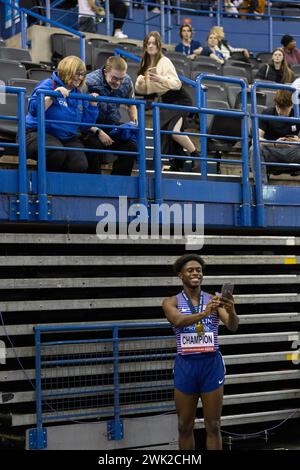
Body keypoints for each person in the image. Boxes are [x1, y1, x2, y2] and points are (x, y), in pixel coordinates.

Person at [162, 254, 238, 450]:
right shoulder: (171, 301)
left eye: (198, 270)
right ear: (181, 275)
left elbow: (232, 326)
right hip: (186, 365)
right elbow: (177, 321)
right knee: (184, 426)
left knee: (213, 425)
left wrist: (232, 310)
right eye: (190, 270)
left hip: (210, 364)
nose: (195, 273)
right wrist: (205, 313)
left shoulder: (214, 300)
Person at [135, 31, 200, 172]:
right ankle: (178, 161)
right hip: (166, 100)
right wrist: (139, 83)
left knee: (174, 131)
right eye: (148, 43)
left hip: (180, 99)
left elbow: (177, 84)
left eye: (154, 43)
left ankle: (196, 155)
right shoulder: (145, 63)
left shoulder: (164, 61)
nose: (151, 46)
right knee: (168, 133)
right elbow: (145, 90)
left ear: (159, 45)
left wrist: (160, 79)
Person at [25, 55, 99, 172]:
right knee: (56, 153)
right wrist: (52, 95)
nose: (80, 78)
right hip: (37, 133)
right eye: (77, 73)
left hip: (67, 137)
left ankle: (59, 189)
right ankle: (37, 184)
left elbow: (84, 127)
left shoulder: (79, 94)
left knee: (79, 164)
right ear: (67, 71)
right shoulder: (49, 84)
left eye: (82, 74)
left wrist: (92, 106)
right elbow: (34, 110)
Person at [85, 56, 137, 175]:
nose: (118, 82)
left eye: (121, 79)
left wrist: (135, 123)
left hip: (112, 126)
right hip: (90, 127)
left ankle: (118, 186)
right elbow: (78, 110)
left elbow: (132, 104)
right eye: (114, 78)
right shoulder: (90, 81)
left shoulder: (127, 81)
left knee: (131, 147)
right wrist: (97, 131)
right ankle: (95, 186)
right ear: (105, 72)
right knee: (93, 145)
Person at [256, 89, 300, 178]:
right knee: (255, 149)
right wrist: (275, 144)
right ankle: (261, 186)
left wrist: (298, 141)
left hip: (292, 152)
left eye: (284, 109)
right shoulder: (267, 113)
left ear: (291, 105)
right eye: (278, 107)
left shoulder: (298, 114)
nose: (280, 111)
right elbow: (255, 139)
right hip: (272, 151)